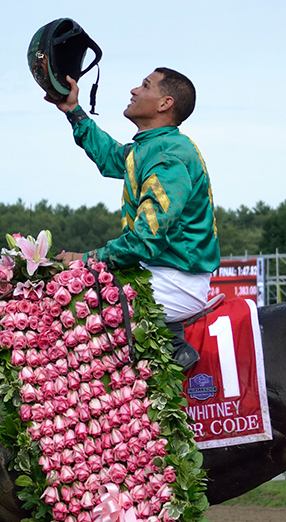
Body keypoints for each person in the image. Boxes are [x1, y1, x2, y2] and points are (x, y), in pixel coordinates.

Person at [48, 67, 220, 367]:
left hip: (177, 280)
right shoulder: (151, 147)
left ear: (165, 103)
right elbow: (109, 156)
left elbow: (145, 240)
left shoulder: (168, 157)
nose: (134, 91)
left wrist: (85, 258)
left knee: (79, 301)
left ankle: (173, 350)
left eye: (145, 85)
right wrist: (74, 111)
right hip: (159, 270)